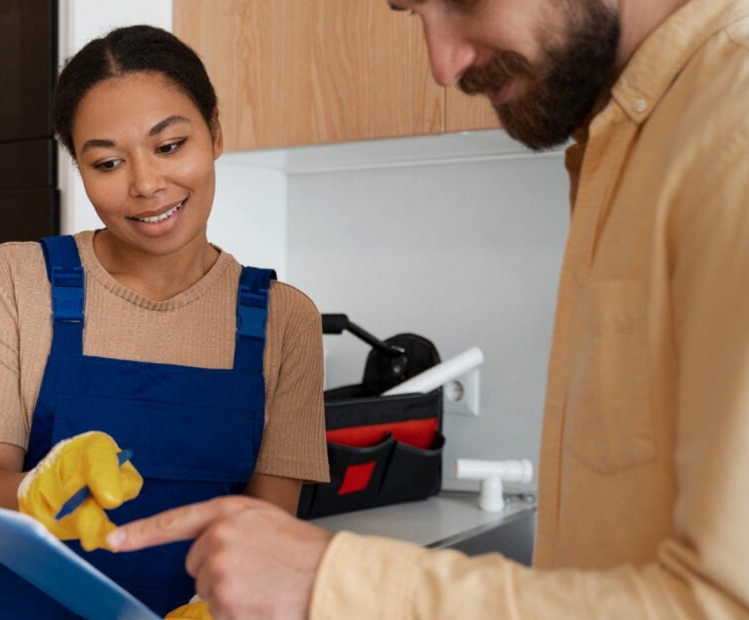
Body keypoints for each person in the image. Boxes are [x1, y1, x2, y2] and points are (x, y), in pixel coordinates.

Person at [106, 0, 749, 617]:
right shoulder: (629, 140)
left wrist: (333, 585)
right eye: (412, 13)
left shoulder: (731, 134)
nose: (443, 65)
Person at [0, 25, 328, 618]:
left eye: (169, 146)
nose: (146, 184)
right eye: (108, 161)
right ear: (81, 168)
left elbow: (268, 535)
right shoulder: (16, 282)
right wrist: (33, 491)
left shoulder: (285, 320)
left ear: (215, 132)